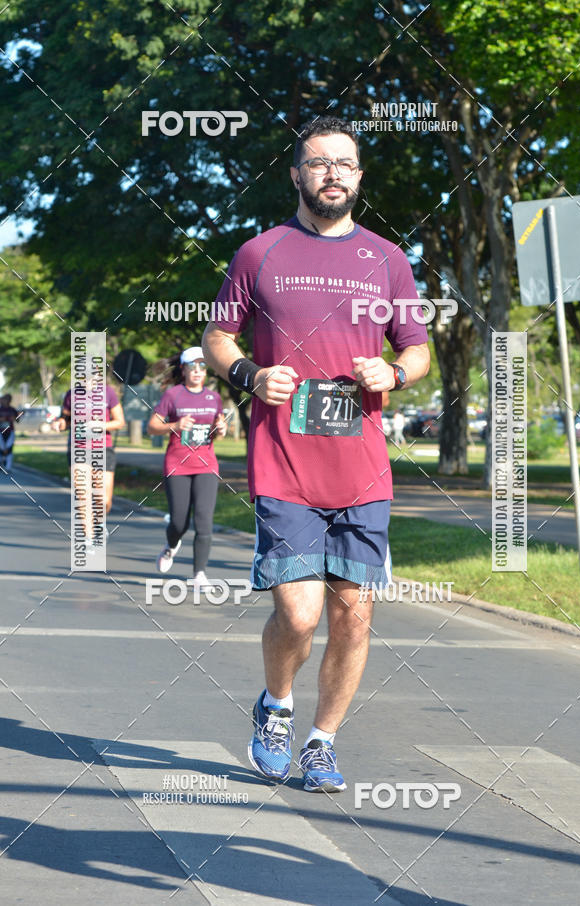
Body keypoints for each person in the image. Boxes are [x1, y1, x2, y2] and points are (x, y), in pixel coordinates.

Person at [203, 115, 430, 792]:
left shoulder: (388, 259)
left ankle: (323, 743)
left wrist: (396, 373)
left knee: (353, 611)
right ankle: (276, 708)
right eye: (319, 162)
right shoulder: (259, 253)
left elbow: (415, 348)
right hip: (285, 464)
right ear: (297, 174)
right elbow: (219, 338)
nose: (333, 172)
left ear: (359, 177)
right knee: (299, 613)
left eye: (346, 163)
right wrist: (247, 374)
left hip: (362, 470)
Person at [147, 346, 227, 594]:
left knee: (204, 520)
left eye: (202, 366)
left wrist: (221, 429)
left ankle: (198, 574)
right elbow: (152, 427)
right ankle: (171, 546)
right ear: (183, 369)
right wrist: (176, 424)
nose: (197, 371)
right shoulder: (173, 395)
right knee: (179, 522)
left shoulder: (213, 398)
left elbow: (217, 429)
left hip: (206, 465)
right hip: (177, 465)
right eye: (192, 366)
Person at [54, 380, 125, 541]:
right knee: (82, 494)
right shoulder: (71, 394)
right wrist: (59, 424)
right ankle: (89, 539)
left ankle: (99, 522)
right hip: (78, 449)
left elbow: (120, 421)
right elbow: (65, 419)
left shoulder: (108, 392)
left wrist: (99, 425)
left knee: (104, 500)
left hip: (103, 448)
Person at [0, 394, 19, 474]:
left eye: (6, 399)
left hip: (10, 431)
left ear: (9, 401)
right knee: (1, 448)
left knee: (9, 448)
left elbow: (17, 419)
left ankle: (8, 467)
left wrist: (15, 417)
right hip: (0, 431)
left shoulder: (12, 410)